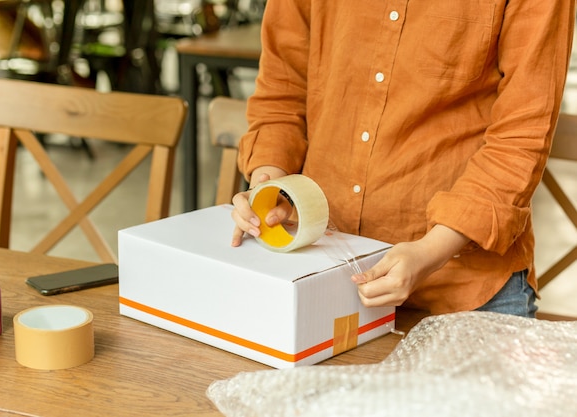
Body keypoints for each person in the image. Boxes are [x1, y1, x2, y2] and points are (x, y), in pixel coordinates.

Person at [230, 0, 576, 317]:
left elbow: (522, 132)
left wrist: (430, 252)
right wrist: (267, 185)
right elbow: (282, 86)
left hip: (465, 295)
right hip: (321, 275)